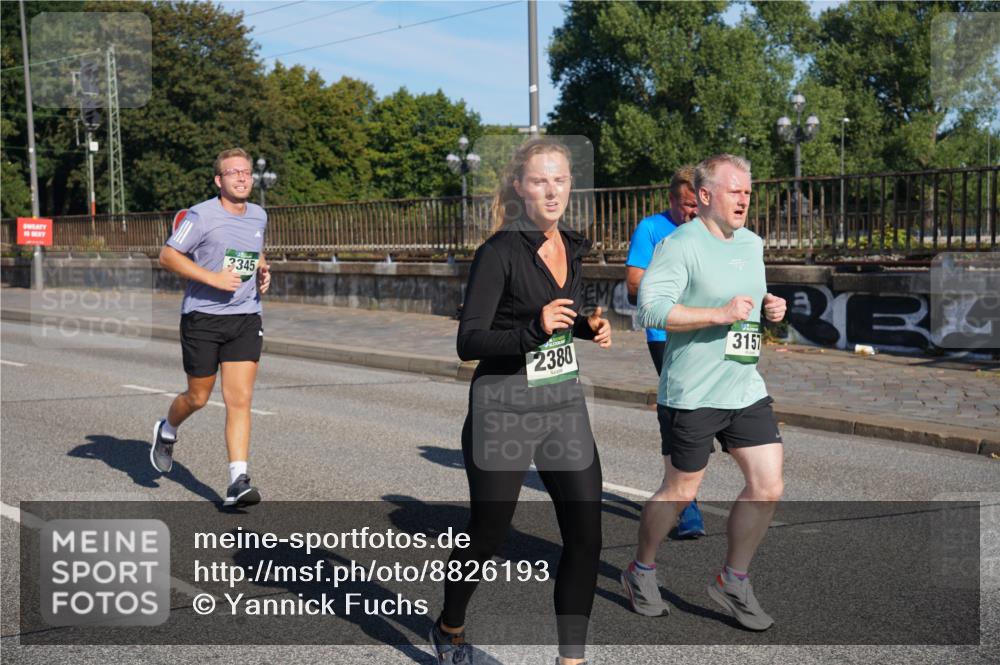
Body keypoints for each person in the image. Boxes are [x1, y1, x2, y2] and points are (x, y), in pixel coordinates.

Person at [430, 138, 612, 665]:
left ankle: (570, 660)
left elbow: (558, 313)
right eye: (539, 181)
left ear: (570, 186)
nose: (551, 190)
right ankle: (449, 626)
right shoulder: (499, 252)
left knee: (585, 537)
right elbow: (470, 342)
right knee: (487, 537)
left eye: (559, 180)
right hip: (503, 408)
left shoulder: (572, 246)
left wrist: (585, 324)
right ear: (519, 187)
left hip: (562, 407)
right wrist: (533, 330)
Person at [621, 154, 787, 630]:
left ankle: (733, 580)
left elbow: (748, 304)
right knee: (680, 490)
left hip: (743, 384)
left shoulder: (752, 244)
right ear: (708, 195)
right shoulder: (680, 244)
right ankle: (641, 569)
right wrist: (718, 314)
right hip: (692, 391)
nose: (744, 199)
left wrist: (770, 308)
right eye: (735, 191)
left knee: (768, 482)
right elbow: (649, 311)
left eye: (749, 192)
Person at [151, 147, 271, 508]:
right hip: (202, 318)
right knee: (198, 397)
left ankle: (238, 480)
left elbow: (253, 249)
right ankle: (167, 429)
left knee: (240, 400)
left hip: (245, 317)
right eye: (233, 172)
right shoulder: (200, 216)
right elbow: (168, 255)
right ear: (219, 180)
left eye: (246, 172)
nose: (241, 177)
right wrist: (213, 279)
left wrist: (264, 269)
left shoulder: (259, 215)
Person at [624, 166, 705, 542]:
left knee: (704, 411)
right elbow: (634, 285)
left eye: (699, 204)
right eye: (688, 205)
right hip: (665, 333)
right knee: (681, 412)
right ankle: (684, 502)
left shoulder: (710, 227)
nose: (694, 212)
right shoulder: (652, 229)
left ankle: (677, 489)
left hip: (709, 329)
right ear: (672, 200)